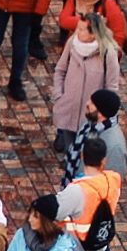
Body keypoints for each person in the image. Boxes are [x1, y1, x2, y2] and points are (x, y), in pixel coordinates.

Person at [51, 18, 122, 158]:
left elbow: (111, 88)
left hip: (90, 117)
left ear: (93, 34)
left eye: (82, 29)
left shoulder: (108, 53)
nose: (77, 32)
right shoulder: (72, 44)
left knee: (86, 157)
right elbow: (60, 70)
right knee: (69, 151)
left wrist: (101, 113)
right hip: (68, 109)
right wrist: (59, 96)